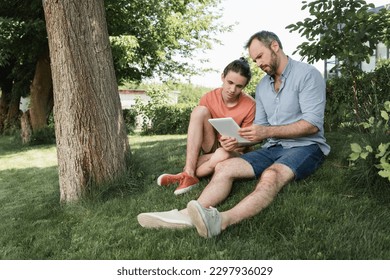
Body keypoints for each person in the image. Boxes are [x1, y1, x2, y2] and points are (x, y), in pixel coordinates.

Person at [138, 31, 330, 237]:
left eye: (259, 56)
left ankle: (220, 221)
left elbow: (312, 125)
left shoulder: (308, 74)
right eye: (254, 59)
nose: (257, 63)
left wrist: (265, 131)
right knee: (224, 167)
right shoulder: (263, 85)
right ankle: (185, 215)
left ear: (275, 46)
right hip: (272, 147)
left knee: (271, 176)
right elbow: (260, 128)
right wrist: (239, 139)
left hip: (306, 146)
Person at [156, 57, 256, 195]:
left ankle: (187, 174)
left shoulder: (250, 104)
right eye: (230, 82)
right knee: (199, 110)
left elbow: (249, 139)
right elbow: (201, 128)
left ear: (244, 86)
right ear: (222, 77)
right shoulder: (208, 97)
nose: (232, 89)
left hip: (235, 150)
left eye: (239, 86)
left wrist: (235, 144)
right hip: (213, 145)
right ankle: (190, 173)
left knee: (220, 154)